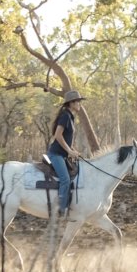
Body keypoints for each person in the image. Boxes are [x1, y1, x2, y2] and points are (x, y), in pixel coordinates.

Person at [47, 90, 85, 218]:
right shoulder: (65, 116)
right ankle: (61, 210)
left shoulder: (70, 116)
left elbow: (66, 138)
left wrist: (73, 150)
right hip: (56, 154)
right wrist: (69, 151)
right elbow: (58, 135)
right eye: (78, 101)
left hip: (63, 155)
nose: (80, 104)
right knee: (65, 180)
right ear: (71, 103)